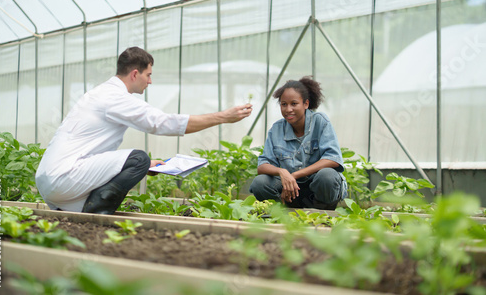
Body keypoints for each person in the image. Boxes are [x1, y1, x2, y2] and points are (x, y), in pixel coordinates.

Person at [35, 47, 252, 214]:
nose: (150, 81)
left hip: (50, 180)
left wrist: (148, 165)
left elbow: (91, 152)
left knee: (141, 162)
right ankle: (96, 213)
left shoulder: (99, 94)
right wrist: (223, 117)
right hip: (63, 178)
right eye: (148, 75)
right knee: (138, 158)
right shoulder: (115, 98)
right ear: (135, 74)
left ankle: (81, 209)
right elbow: (161, 123)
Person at [249, 76, 346, 210]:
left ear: (306, 104)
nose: (288, 109)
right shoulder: (276, 130)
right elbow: (263, 165)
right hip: (290, 191)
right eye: (284, 104)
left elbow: (332, 159)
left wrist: (294, 175)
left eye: (294, 104)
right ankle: (284, 210)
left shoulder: (320, 122)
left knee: (327, 176)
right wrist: (283, 172)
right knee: (260, 183)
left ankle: (323, 212)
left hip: (316, 190)